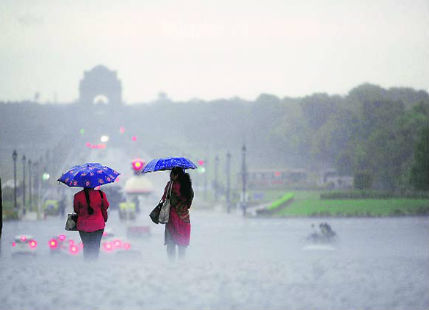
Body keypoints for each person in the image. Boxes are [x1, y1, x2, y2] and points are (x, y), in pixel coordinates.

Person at [161, 167, 194, 261]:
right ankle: (181, 264)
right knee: (182, 243)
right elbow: (189, 203)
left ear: (176, 175)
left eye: (171, 174)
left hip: (172, 218)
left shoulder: (170, 185)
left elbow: (164, 199)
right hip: (184, 217)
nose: (170, 176)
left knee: (171, 244)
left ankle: (172, 265)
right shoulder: (187, 186)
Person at [73, 187, 109, 260]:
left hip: (83, 225)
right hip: (98, 225)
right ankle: (94, 262)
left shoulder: (77, 195)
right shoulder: (101, 194)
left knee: (86, 245)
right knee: (96, 245)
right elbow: (106, 206)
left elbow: (76, 210)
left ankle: (87, 262)